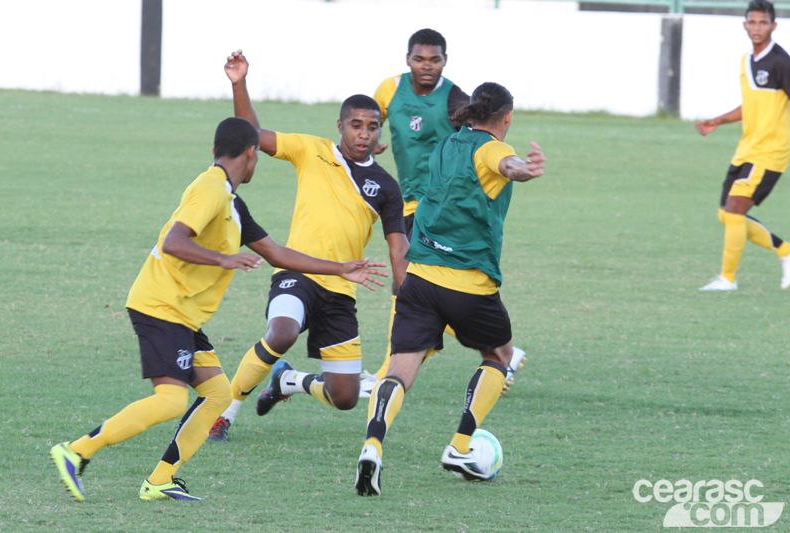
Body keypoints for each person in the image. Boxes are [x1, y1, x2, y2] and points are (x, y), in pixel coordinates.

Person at [50, 117, 387, 502]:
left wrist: (341, 268)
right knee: (171, 400)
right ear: (251, 154)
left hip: (182, 314)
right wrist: (221, 260)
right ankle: (75, 451)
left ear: (215, 151)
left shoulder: (232, 202)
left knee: (217, 394)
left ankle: (159, 480)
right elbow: (175, 241)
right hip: (161, 307)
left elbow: (277, 252)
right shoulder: (210, 190)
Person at [354, 82, 546, 496]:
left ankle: (372, 443)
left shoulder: (447, 143)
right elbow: (506, 163)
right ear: (507, 118)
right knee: (500, 355)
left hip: (420, 276)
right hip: (468, 283)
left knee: (400, 369)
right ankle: (460, 447)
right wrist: (523, 170)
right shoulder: (493, 148)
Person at [208, 50, 409, 443]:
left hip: (340, 292)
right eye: (356, 125)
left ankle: (290, 381)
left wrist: (408, 297)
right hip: (296, 273)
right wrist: (239, 83)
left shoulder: (386, 187)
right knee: (281, 332)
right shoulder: (312, 150)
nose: (364, 133)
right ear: (340, 126)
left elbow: (397, 248)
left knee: (345, 397)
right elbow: (251, 135)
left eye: (372, 127)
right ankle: (224, 412)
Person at [362, 28, 525, 398]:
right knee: (415, 286)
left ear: (444, 61)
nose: (427, 66)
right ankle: (503, 350)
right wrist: (372, 139)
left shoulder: (454, 98)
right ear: (407, 59)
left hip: (432, 205)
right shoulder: (390, 89)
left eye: (434, 59)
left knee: (407, 284)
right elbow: (370, 115)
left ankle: (391, 369)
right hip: (401, 198)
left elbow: (480, 142)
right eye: (420, 58)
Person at [695, 0, 790, 291]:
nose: (757, 27)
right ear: (745, 25)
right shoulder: (747, 60)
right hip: (747, 148)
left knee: (735, 208)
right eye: (752, 22)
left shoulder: (781, 62)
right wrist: (719, 120)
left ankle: (728, 278)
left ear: (773, 26)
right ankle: (786, 252)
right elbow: (752, 105)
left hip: (771, 151)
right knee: (727, 213)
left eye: (763, 22)